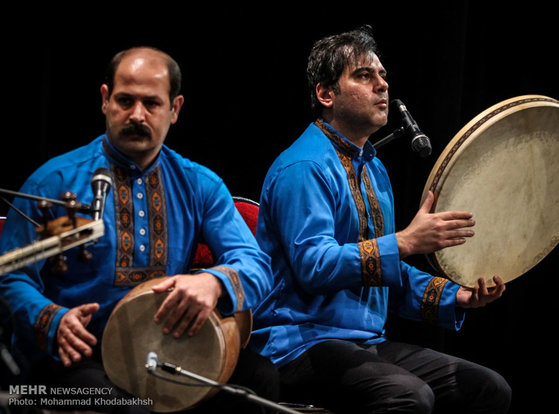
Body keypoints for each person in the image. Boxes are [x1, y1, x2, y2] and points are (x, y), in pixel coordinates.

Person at [0, 46, 278, 413]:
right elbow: (10, 275)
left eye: (151, 103)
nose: (137, 115)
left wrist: (214, 282)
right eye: (125, 100)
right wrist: (53, 319)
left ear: (175, 108)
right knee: (130, 408)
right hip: (69, 362)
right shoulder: (55, 183)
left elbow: (256, 264)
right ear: (105, 100)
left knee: (262, 383)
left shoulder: (199, 185)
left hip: (164, 350)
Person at [249, 26, 512, 414]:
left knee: (488, 388)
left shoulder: (374, 169)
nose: (382, 86)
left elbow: (384, 271)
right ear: (325, 94)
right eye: (363, 75)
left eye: (383, 76)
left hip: (365, 340)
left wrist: (457, 296)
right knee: (409, 395)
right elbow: (314, 267)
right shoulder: (303, 167)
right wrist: (404, 242)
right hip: (297, 343)